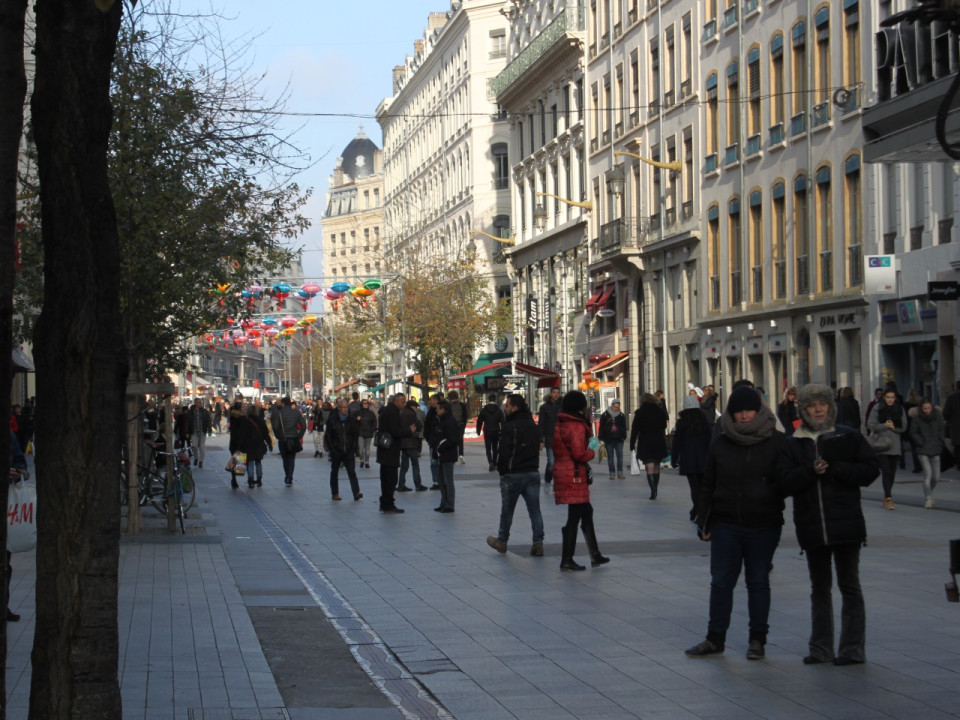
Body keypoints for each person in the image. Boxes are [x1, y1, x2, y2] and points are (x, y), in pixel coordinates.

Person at [775, 384, 879, 666]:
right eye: (812, 405)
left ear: (831, 406)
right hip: (812, 526)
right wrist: (811, 471)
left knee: (850, 586)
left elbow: (870, 471)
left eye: (823, 404)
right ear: (803, 410)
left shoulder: (848, 436)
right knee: (819, 589)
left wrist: (836, 469)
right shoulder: (793, 442)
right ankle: (821, 648)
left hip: (846, 525)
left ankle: (852, 649)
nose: (818, 409)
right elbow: (783, 482)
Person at [686, 386, 786, 661]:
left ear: (758, 410)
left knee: (758, 581)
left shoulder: (776, 441)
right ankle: (715, 637)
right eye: (738, 411)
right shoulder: (721, 442)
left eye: (748, 410)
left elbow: (786, 480)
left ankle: (757, 640)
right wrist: (704, 519)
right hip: (726, 522)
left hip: (764, 523)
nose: (743, 416)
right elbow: (709, 483)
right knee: (721, 582)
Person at [553, 390, 609, 571]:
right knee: (574, 516)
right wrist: (592, 450)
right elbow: (579, 454)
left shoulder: (561, 422)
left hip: (566, 472)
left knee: (585, 511)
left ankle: (595, 554)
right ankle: (567, 559)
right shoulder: (575, 425)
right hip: (574, 475)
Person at [486, 394, 545, 556]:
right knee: (535, 510)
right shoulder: (533, 425)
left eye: (507, 405)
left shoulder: (509, 426)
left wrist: (502, 470)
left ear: (515, 408)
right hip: (532, 472)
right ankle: (538, 543)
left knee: (507, 510)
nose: (505, 408)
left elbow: (504, 451)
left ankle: (502, 541)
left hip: (513, 474)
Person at [672, 395, 712, 521]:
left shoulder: (682, 423)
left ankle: (697, 509)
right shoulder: (704, 422)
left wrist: (674, 458)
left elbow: (677, 442)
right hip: (704, 459)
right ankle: (700, 510)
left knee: (694, 487)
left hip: (688, 459)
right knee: (703, 486)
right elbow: (710, 440)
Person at [866, 388, 906, 510]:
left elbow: (903, 427)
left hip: (895, 445)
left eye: (892, 397)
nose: (890, 400)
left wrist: (892, 427)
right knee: (886, 471)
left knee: (892, 473)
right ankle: (888, 498)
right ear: (884, 397)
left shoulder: (900, 409)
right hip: (881, 444)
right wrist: (885, 425)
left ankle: (887, 495)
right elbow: (870, 424)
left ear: (895, 398)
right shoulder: (877, 407)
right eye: (888, 397)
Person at [376, 393, 416, 513]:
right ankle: (388, 504)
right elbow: (395, 431)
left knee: (386, 478)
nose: (404, 404)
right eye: (403, 402)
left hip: (384, 448)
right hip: (390, 449)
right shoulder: (393, 412)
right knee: (391, 479)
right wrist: (409, 430)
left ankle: (385, 503)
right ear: (396, 401)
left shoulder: (386, 410)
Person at [630, 393, 669, 499]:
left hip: (646, 441)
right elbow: (663, 425)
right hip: (658, 440)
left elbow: (635, 429)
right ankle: (655, 487)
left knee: (649, 466)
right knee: (656, 465)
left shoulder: (640, 413)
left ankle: (653, 490)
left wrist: (632, 444)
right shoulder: (659, 411)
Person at [909, 398, 945, 508]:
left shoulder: (938, 416)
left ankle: (929, 491)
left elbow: (941, 430)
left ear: (932, 407)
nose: (927, 410)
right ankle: (928, 498)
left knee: (936, 477)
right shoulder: (917, 418)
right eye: (925, 408)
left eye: (929, 408)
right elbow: (913, 432)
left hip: (935, 448)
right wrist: (920, 441)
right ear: (921, 408)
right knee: (928, 474)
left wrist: (940, 442)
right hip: (922, 449)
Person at [325, 398, 363, 501]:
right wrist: (332, 449)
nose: (345, 409)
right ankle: (335, 493)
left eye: (346, 407)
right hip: (336, 450)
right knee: (334, 472)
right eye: (343, 407)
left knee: (352, 472)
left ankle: (356, 493)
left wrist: (353, 448)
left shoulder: (351, 419)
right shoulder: (332, 419)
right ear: (339, 408)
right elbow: (328, 436)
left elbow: (355, 435)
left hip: (349, 450)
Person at [271, 397, 306, 487]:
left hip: (283, 438)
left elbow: (275, 426)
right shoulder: (296, 412)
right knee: (291, 458)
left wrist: (278, 435)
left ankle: (287, 476)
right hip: (293, 438)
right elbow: (303, 425)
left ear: (283, 403)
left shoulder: (279, 412)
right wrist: (299, 436)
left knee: (285, 458)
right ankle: (289, 478)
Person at [239, 405, 272, 488]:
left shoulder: (245, 421)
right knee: (258, 462)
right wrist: (269, 443)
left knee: (250, 462)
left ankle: (251, 481)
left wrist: (239, 446)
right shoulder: (261, 421)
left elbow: (241, 435)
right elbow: (266, 433)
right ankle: (259, 480)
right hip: (259, 445)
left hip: (248, 445)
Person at [398, 399, 425, 491]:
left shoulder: (401, 413)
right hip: (411, 442)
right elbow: (418, 426)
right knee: (415, 464)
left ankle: (401, 485)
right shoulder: (411, 414)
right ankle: (418, 484)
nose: (416, 409)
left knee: (404, 466)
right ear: (412, 407)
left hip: (403, 443)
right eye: (416, 407)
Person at [597, 399, 628, 480]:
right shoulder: (605, 415)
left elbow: (624, 427)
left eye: (618, 407)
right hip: (608, 439)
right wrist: (601, 438)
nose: (616, 408)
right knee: (610, 457)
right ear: (612, 405)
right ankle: (612, 473)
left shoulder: (621, 415)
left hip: (619, 439)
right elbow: (601, 427)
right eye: (615, 407)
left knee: (620, 457)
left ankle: (620, 473)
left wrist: (623, 436)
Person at [538, 386, 561, 488]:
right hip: (550, 438)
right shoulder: (544, 407)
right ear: (550, 394)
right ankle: (548, 480)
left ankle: (557, 483)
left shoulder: (562, 407)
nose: (556, 395)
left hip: (561, 438)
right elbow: (541, 424)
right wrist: (541, 440)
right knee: (551, 462)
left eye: (558, 393)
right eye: (554, 392)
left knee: (559, 463)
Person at [475, 393, 505, 472]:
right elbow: (503, 421)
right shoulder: (499, 410)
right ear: (495, 400)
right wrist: (503, 431)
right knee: (495, 448)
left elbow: (479, 421)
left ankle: (490, 462)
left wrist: (478, 430)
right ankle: (494, 463)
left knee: (488, 448)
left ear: (488, 400)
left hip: (487, 431)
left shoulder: (484, 410)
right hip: (496, 431)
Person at [423, 393, 444, 491]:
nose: (429, 402)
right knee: (434, 462)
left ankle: (442, 480)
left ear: (436, 400)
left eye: (431, 400)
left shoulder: (443, 411)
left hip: (442, 442)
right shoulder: (430, 412)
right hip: (433, 442)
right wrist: (428, 438)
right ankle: (436, 481)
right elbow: (426, 426)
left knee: (442, 462)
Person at [188, 398, 211, 468]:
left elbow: (208, 420)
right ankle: (196, 458)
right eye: (198, 402)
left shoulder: (204, 411)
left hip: (202, 431)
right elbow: (188, 422)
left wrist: (209, 429)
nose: (200, 404)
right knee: (194, 446)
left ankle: (201, 461)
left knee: (202, 447)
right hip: (194, 431)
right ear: (195, 403)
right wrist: (187, 432)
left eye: (200, 402)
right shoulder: (191, 412)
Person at [446, 390, 468, 464]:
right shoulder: (462, 405)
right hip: (460, 424)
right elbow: (465, 415)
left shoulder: (448, 405)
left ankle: (453, 455)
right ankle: (461, 454)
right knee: (460, 440)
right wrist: (464, 424)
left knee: (452, 440)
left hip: (451, 425)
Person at [356, 399, 378, 468]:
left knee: (367, 449)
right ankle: (362, 460)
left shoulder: (371, 413)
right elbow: (354, 422)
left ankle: (366, 462)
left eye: (367, 403)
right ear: (361, 404)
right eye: (364, 403)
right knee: (361, 449)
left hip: (369, 433)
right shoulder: (358, 412)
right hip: (360, 433)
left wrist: (372, 430)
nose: (366, 405)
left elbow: (375, 422)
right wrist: (357, 420)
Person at [941, 380, 960, 453]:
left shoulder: (951, 398)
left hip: (956, 427)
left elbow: (945, 413)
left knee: (957, 449)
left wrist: (949, 420)